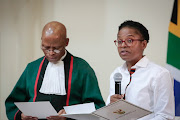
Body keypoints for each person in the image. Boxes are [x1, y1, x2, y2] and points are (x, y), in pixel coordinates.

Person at [5, 21, 105, 120]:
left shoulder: (82, 69)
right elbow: (12, 103)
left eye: (57, 48)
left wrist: (70, 114)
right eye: (46, 48)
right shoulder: (32, 68)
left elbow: (96, 107)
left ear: (66, 42)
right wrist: (21, 115)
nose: (51, 53)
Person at [106, 20, 175, 120]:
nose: (123, 45)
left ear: (143, 44)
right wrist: (110, 106)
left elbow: (165, 116)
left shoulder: (159, 74)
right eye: (120, 41)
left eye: (129, 40)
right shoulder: (116, 74)